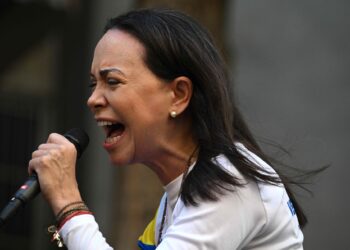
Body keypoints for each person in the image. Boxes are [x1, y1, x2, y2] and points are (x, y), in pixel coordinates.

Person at [29, 8, 306, 250]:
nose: (93, 99)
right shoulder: (181, 194)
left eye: (112, 81)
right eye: (94, 84)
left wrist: (68, 203)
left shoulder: (230, 182)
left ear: (179, 94)